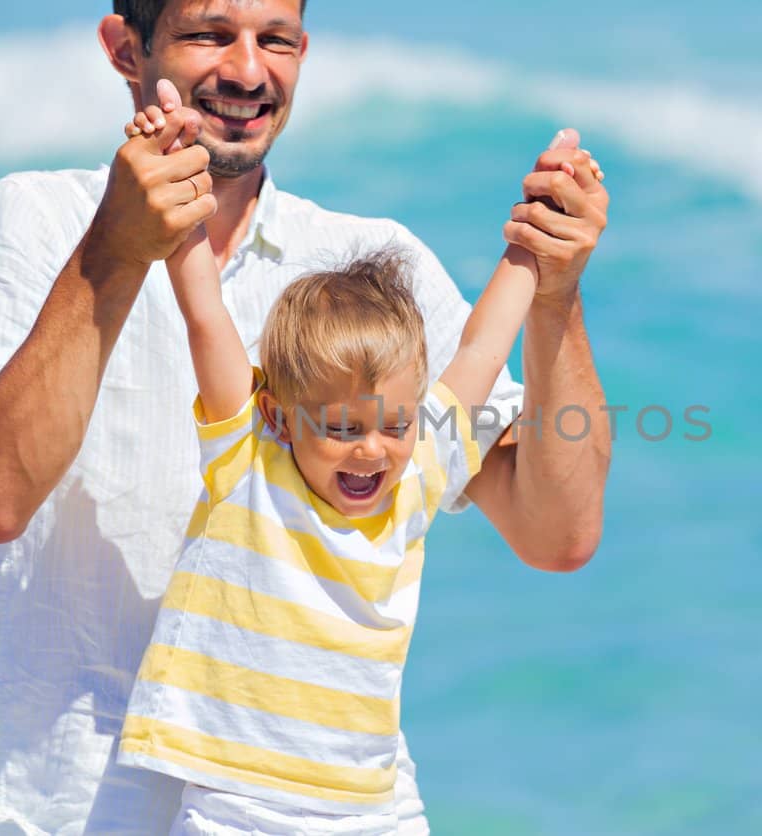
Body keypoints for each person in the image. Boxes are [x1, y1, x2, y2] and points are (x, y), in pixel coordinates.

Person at [0, 1, 611, 833]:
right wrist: (120, 240)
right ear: (124, 49)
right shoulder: (33, 220)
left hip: (354, 811)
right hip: (62, 810)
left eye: (275, 40)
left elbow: (559, 531)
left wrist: (556, 285)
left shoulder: (373, 274)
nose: (249, 71)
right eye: (210, 34)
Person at [114, 88, 592, 834]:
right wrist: (178, 168)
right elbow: (204, 312)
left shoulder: (419, 470)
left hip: (371, 810)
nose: (373, 449)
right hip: (238, 807)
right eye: (339, 428)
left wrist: (538, 237)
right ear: (278, 415)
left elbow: (479, 347)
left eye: (394, 425)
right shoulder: (248, 461)